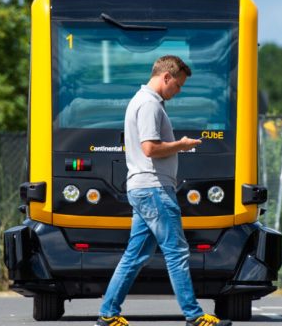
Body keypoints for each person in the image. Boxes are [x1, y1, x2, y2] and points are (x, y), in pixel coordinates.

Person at [96, 55, 232, 326]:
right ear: (166, 77)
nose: (178, 91)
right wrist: (181, 145)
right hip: (154, 187)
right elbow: (150, 148)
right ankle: (194, 316)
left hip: (144, 187)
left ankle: (108, 313)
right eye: (178, 85)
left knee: (135, 255)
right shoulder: (149, 105)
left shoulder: (141, 101)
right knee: (177, 251)